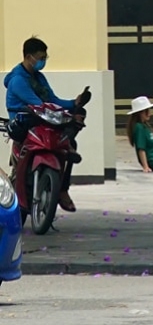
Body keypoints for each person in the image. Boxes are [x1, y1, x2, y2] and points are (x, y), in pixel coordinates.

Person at [4, 37, 89, 213]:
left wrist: (75, 102)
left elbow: (52, 100)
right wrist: (60, 112)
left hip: (44, 116)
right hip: (26, 122)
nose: (43, 61)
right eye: (40, 57)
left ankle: (62, 188)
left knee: (76, 125)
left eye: (45, 57)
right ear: (28, 57)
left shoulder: (39, 78)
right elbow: (38, 104)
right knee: (67, 135)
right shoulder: (18, 80)